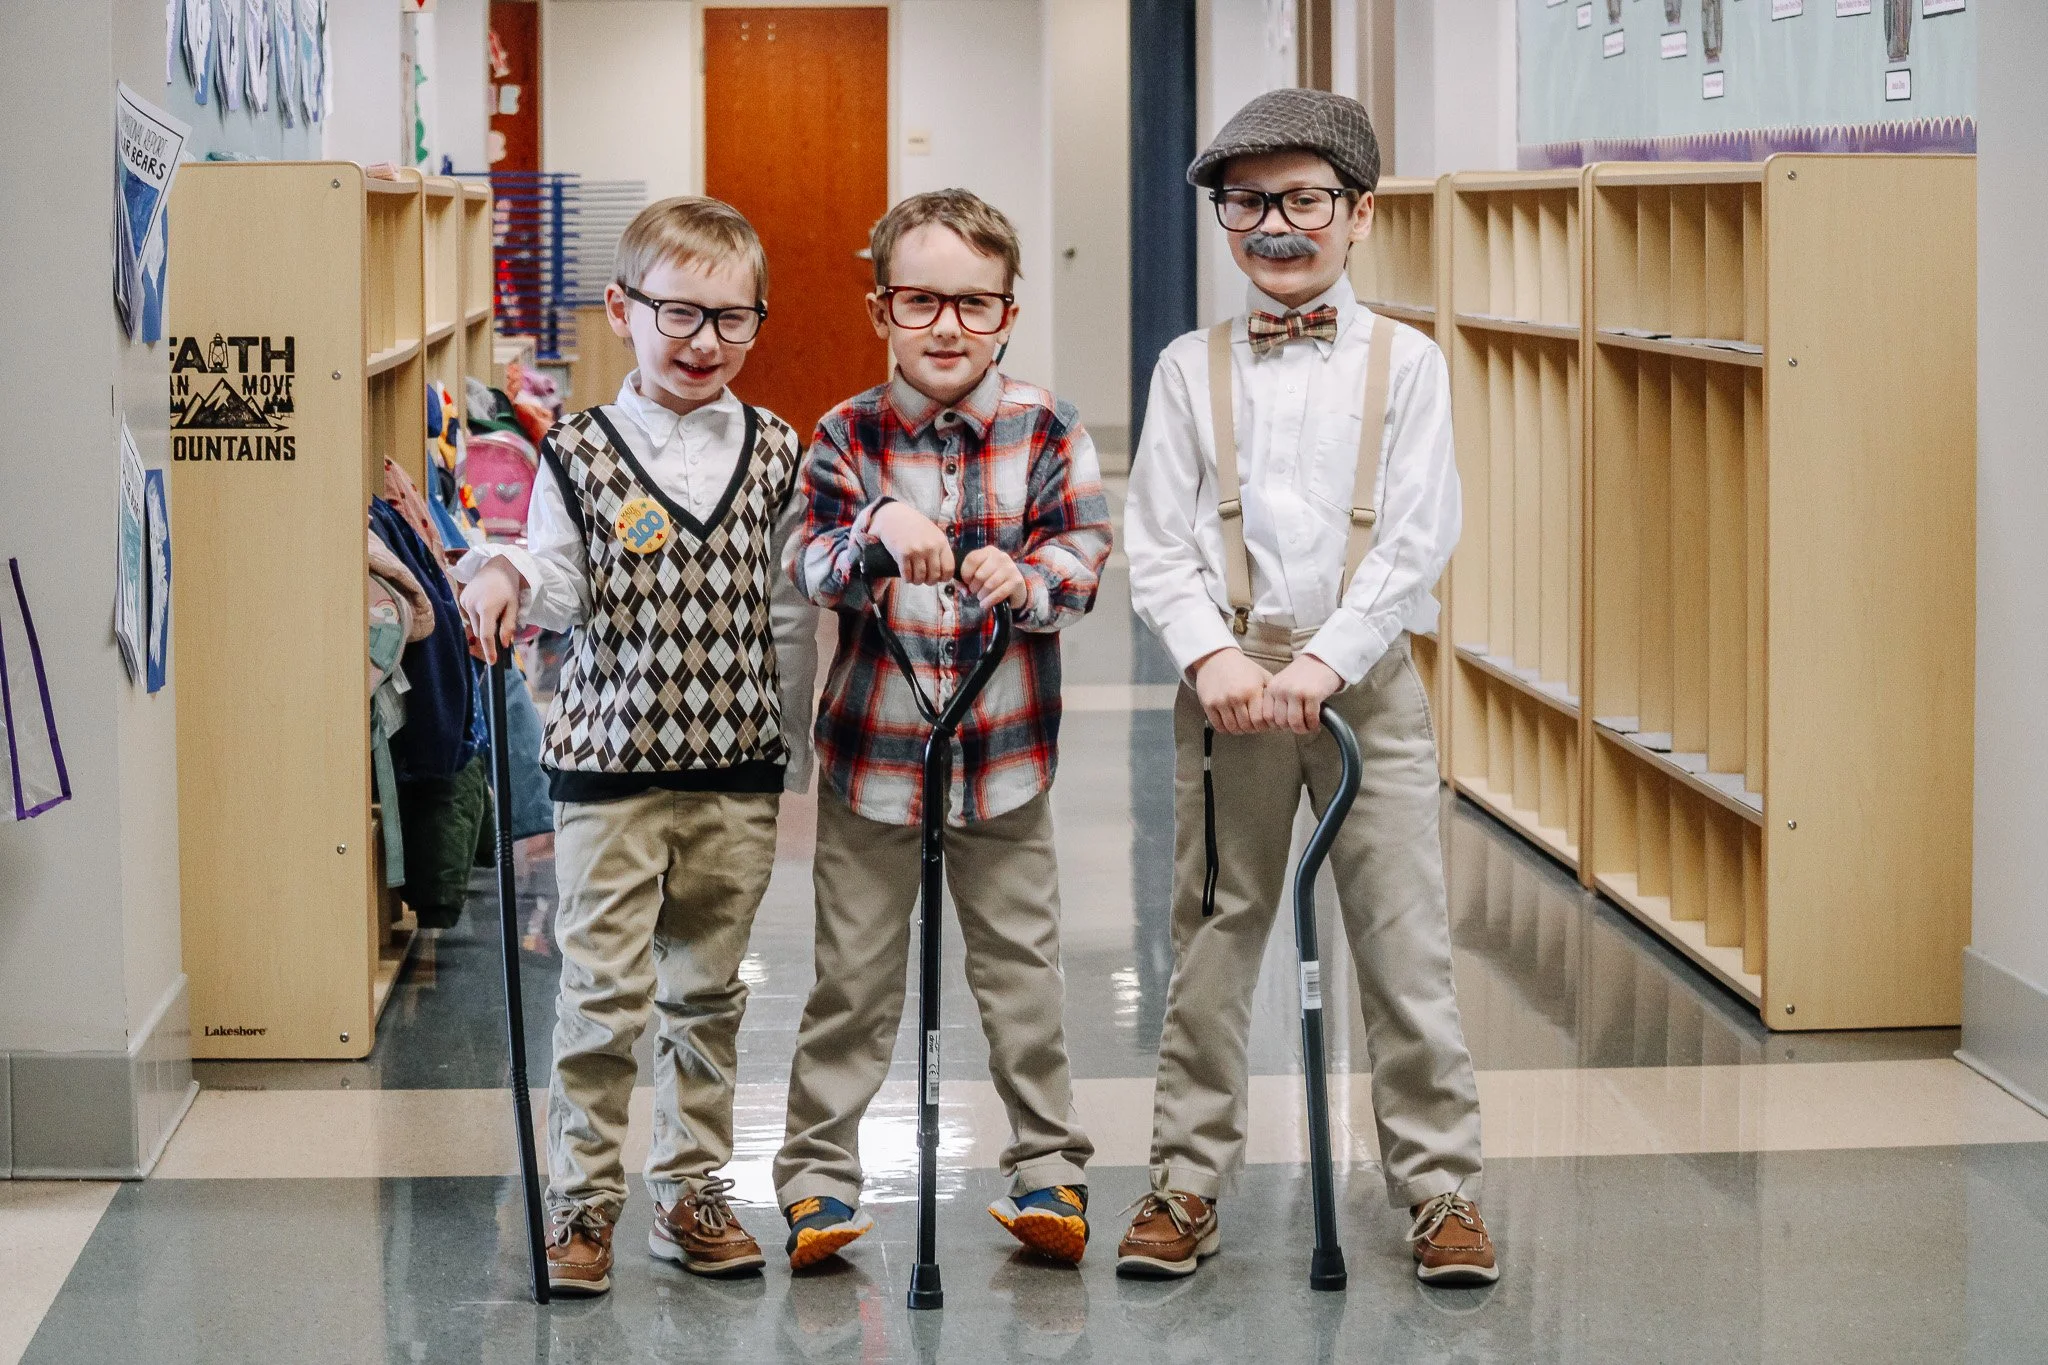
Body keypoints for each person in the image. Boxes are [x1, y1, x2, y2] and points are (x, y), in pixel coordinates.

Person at [1119, 89, 1497, 1287]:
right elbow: (1155, 539)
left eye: (1301, 200)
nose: (1273, 224)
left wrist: (1328, 658)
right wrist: (1214, 657)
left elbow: (1417, 534)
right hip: (1229, 681)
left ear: (1358, 215)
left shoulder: (1411, 363)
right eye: (1246, 203)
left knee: (1400, 936)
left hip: (1364, 680)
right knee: (1216, 932)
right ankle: (1183, 1182)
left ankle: (1438, 1190)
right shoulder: (1190, 367)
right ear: (1224, 219)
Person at [456, 196, 818, 1296]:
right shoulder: (575, 451)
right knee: (604, 997)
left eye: (731, 318)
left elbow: (789, 605)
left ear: (757, 323)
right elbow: (560, 578)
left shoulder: (773, 449)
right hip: (607, 772)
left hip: (735, 772)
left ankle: (692, 1189)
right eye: (677, 313)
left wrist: (785, 740)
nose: (703, 341)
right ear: (621, 310)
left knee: (710, 992)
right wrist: (509, 573)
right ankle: (581, 1203)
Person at [773, 188, 1112, 1270]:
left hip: (1004, 761)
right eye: (920, 301)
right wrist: (878, 527)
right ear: (881, 310)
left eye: (973, 303)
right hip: (874, 763)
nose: (947, 326)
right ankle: (819, 1178)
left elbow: (1084, 557)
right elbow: (811, 562)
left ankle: (1048, 1166)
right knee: (851, 978)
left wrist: (1027, 575)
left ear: (1007, 312)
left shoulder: (1047, 426)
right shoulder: (841, 436)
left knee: (1020, 971)